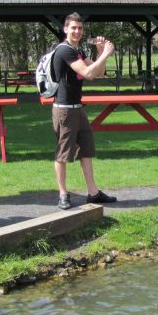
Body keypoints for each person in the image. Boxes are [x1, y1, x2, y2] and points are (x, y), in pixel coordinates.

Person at [52, 12, 116, 209]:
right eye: (73, 28)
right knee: (63, 154)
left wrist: (99, 51)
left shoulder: (78, 50)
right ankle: (63, 194)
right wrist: (106, 53)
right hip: (64, 110)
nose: (77, 31)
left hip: (78, 108)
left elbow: (99, 73)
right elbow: (88, 73)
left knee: (86, 150)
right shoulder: (65, 50)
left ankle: (93, 193)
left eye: (80, 28)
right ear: (65, 29)